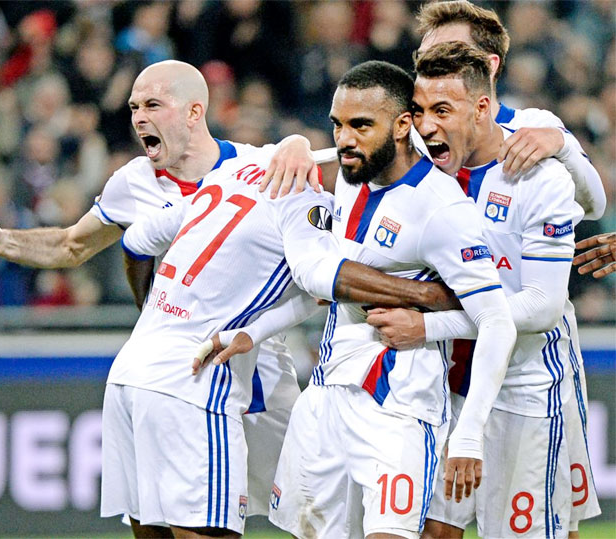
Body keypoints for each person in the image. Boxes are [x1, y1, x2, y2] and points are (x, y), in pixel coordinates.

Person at [0, 59, 323, 527]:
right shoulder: (133, 182)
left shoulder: (257, 166)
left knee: (310, 503)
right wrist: (6, 241)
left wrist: (298, 143)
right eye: (133, 107)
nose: (138, 117)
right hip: (181, 372)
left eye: (153, 104)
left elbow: (323, 202)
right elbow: (73, 244)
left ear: (194, 112)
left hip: (258, 365)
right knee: (165, 517)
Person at [102, 139, 459, 538]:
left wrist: (153, 311)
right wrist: (428, 296)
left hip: (130, 370)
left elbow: (134, 242)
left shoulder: (226, 175)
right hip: (195, 380)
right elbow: (319, 278)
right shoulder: (307, 203)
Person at [259, 60, 515, 539]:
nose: (344, 140)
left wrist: (469, 432)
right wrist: (293, 143)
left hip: (398, 407)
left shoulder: (441, 209)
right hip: (327, 394)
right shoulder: (349, 174)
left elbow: (497, 320)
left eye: (360, 125)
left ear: (402, 126)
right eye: (337, 125)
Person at [411, 3, 605, 536]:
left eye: (450, 53)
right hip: (443, 374)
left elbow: (594, 204)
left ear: (488, 68)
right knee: (432, 527)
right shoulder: (419, 142)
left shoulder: (533, 134)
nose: (432, 63)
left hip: (530, 367)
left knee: (544, 522)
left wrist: (563, 146)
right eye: (426, 56)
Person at [374, 41, 579, 539]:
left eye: (442, 110)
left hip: (522, 389)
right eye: (419, 111)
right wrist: (294, 147)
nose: (426, 127)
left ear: (482, 107)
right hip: (445, 386)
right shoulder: (421, 175)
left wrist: (426, 324)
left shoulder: (541, 179)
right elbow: (349, 148)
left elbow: (542, 305)